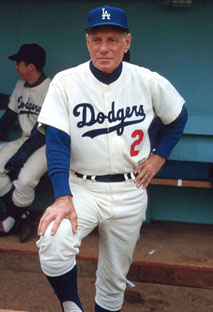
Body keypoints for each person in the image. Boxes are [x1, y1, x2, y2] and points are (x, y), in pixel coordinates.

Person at [36, 5, 188, 312]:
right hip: (82, 187)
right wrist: (62, 196)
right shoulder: (66, 82)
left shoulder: (146, 80)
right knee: (54, 241)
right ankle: (71, 306)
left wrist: (159, 157)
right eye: (97, 39)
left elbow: (178, 117)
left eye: (113, 39)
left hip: (130, 188)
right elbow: (56, 142)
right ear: (87, 42)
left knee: (114, 279)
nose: (104, 47)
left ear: (127, 42)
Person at [0, 43, 51, 242]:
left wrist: (20, 157)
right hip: (26, 138)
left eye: (18, 63)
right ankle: (22, 215)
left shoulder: (50, 88)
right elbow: (9, 118)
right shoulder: (21, 85)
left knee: (25, 180)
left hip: (47, 143)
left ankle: (14, 217)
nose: (15, 67)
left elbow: (42, 133)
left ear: (31, 66)